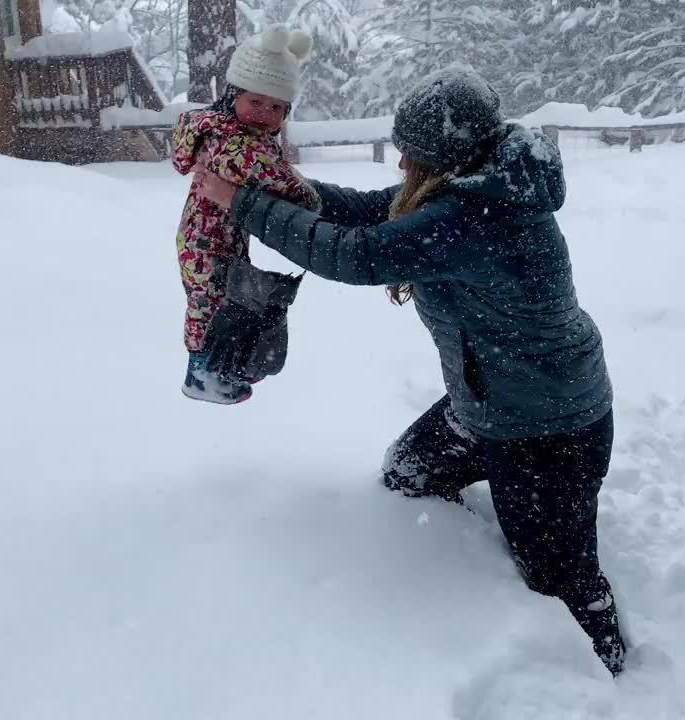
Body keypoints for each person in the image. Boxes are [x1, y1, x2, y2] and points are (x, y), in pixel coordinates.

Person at [193, 65, 627, 675]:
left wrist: (242, 204)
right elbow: (381, 212)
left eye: (412, 157)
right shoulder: (477, 181)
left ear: (444, 158)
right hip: (487, 400)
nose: (401, 167)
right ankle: (471, 559)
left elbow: (360, 253)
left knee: (560, 577)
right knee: (407, 473)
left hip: (546, 427)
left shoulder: (479, 214)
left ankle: (613, 674)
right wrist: (288, 190)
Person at [171, 24, 321, 405]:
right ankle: (202, 374)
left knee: (221, 301)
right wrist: (308, 196)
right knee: (209, 303)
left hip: (212, 235)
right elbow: (276, 179)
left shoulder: (230, 131)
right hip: (206, 241)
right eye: (256, 101)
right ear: (233, 94)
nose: (264, 113)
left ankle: (215, 369)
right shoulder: (234, 142)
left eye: (276, 107)